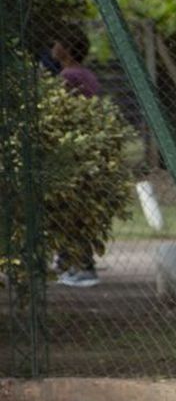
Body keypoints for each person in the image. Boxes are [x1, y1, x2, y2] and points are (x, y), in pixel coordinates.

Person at [52, 25, 104, 287]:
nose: (53, 47)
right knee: (73, 210)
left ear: (67, 49)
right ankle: (67, 262)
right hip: (88, 149)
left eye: (57, 42)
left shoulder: (69, 76)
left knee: (68, 210)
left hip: (72, 152)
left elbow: (59, 112)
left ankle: (80, 265)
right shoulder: (87, 75)